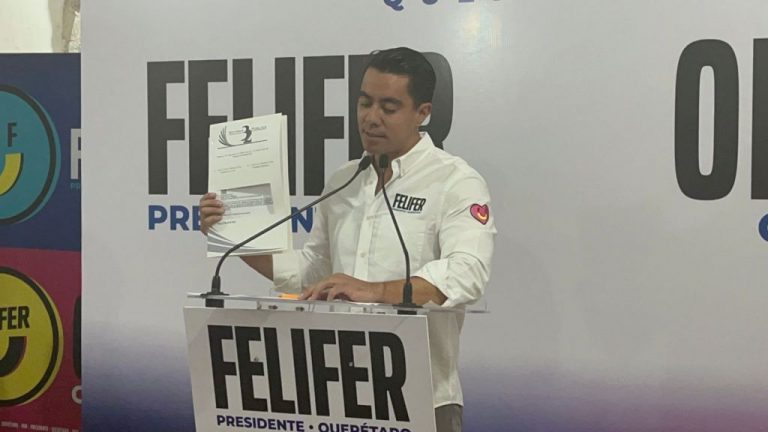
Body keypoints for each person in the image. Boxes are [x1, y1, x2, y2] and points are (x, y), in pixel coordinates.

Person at [199, 47, 496, 432]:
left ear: (422, 113)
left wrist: (375, 291)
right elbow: (310, 273)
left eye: (389, 107)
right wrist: (233, 234)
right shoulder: (344, 179)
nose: (371, 118)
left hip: (420, 397)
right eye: (364, 102)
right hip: (337, 396)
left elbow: (467, 273)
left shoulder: (456, 181)